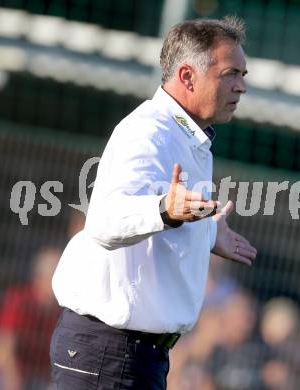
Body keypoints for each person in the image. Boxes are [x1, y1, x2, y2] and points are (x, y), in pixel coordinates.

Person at [50, 15, 257, 389]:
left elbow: (160, 226)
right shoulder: (148, 132)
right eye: (230, 73)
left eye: (243, 74)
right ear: (187, 76)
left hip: (135, 357)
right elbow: (105, 222)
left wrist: (208, 233)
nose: (241, 86)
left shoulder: (189, 136)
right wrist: (165, 209)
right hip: (108, 354)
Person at [0, 247, 61, 390]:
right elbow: (4, 347)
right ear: (42, 277)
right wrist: (13, 381)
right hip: (8, 374)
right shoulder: (20, 299)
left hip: (42, 378)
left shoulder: (61, 310)